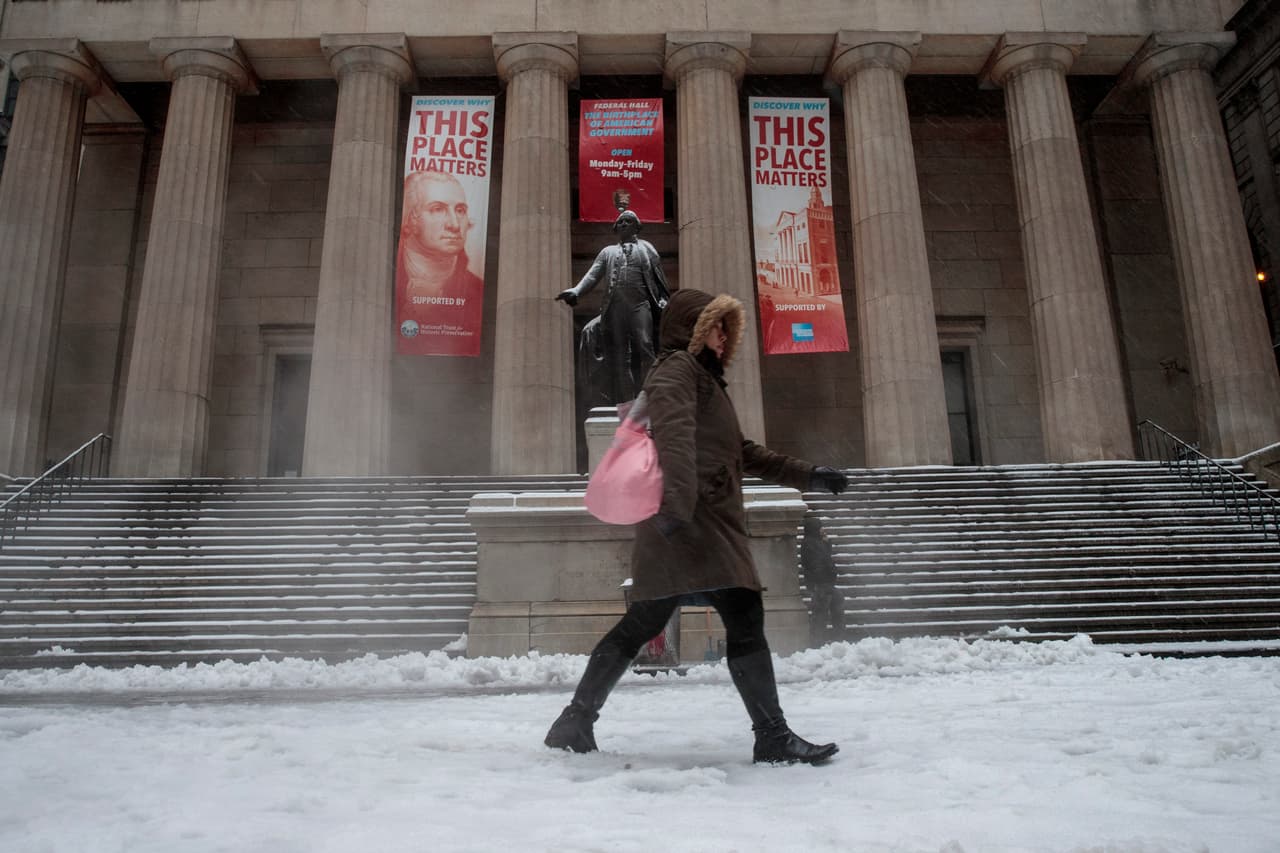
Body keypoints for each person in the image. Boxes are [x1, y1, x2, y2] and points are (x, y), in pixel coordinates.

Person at [544, 288, 850, 765]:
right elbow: (674, 441)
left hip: (695, 522)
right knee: (740, 616)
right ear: (693, 329)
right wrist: (677, 512)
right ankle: (771, 735)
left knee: (643, 623)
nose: (724, 337)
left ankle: (576, 720)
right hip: (689, 523)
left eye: (729, 327)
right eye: (716, 326)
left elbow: (743, 452)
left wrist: (808, 474)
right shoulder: (677, 371)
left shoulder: (704, 382)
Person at [556, 210, 670, 404]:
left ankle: (649, 398)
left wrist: (663, 298)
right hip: (615, 308)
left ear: (636, 226)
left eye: (628, 221)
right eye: (621, 222)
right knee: (620, 356)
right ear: (616, 228)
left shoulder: (647, 249)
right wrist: (576, 291)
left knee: (646, 346)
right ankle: (627, 403)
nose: (624, 224)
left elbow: (659, 277)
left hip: (640, 304)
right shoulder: (607, 252)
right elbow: (593, 275)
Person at [397, 170, 483, 302]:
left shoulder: (478, 291)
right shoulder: (384, 275)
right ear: (410, 218)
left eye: (460, 210)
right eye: (438, 209)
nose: (454, 225)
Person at [800, 513, 846, 645]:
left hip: (827, 583)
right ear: (814, 528)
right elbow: (816, 564)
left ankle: (839, 641)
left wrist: (826, 544)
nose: (823, 530)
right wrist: (820, 581)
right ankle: (817, 643)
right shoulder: (809, 543)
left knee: (837, 609)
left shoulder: (816, 542)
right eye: (820, 527)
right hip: (821, 584)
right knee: (820, 615)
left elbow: (824, 558)